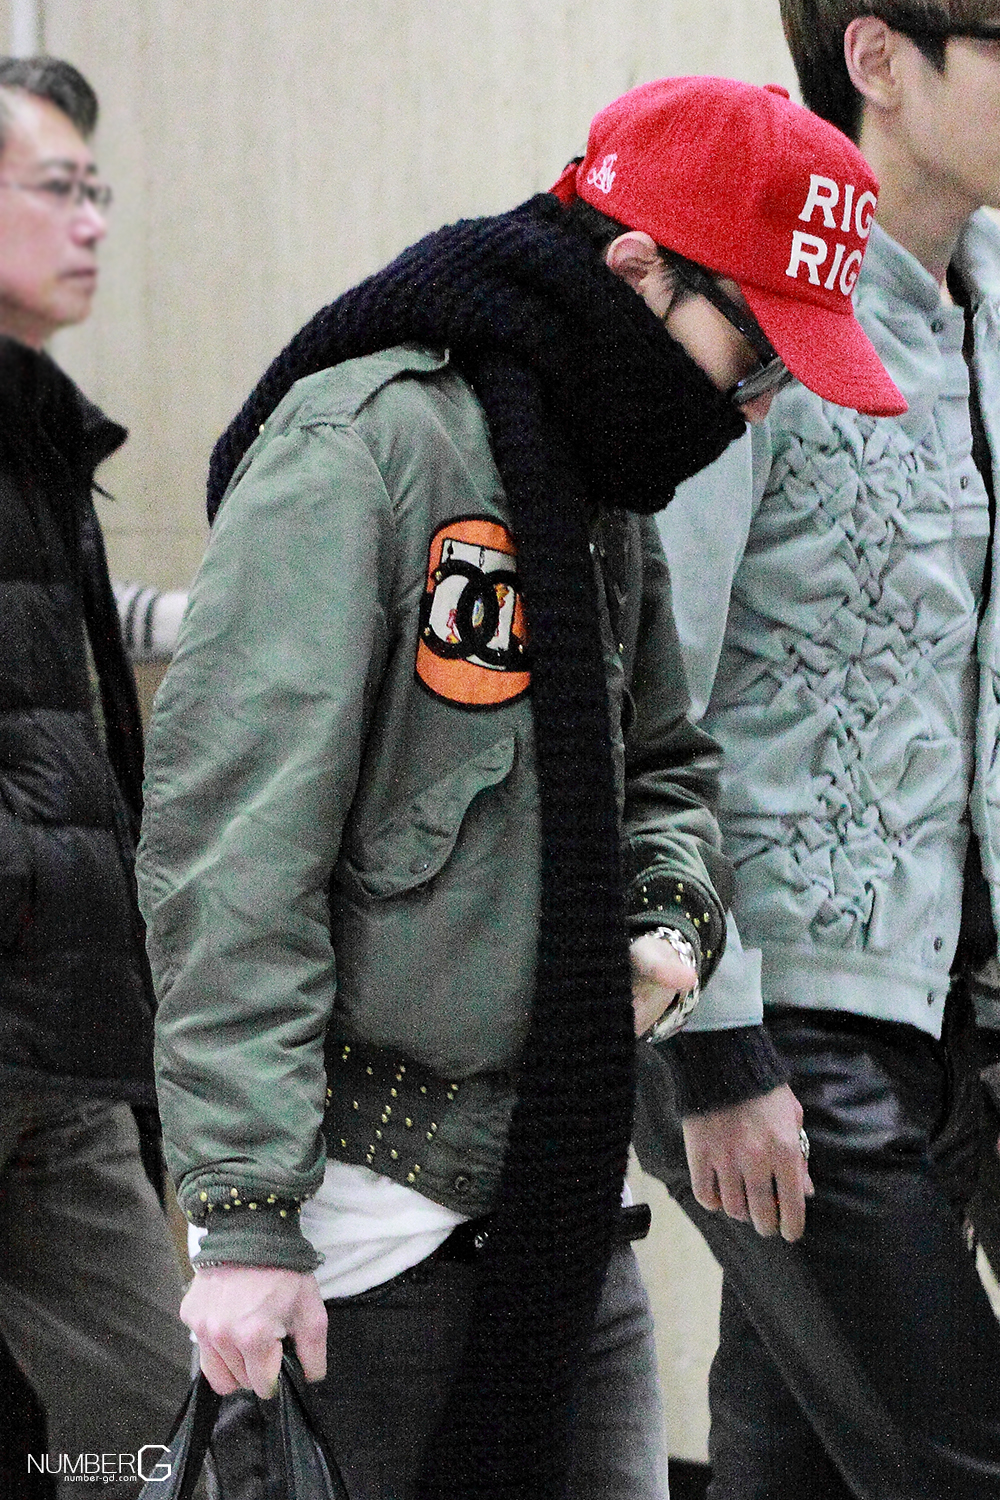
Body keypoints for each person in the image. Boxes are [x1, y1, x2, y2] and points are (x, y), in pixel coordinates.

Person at [138, 76, 902, 1500]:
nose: (759, 404)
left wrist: (668, 923)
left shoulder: (600, 484)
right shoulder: (370, 445)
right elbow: (231, 856)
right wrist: (243, 1220)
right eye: (756, 352)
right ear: (639, 268)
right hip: (357, 1228)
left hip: (561, 1196)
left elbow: (667, 769)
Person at [634, 6, 1000, 1498]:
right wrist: (712, 1041)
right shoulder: (761, 307)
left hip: (949, 999)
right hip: (773, 1005)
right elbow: (645, 687)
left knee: (801, 1464)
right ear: (880, 59)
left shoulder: (990, 307)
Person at [0, 54, 191, 1490]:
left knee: (154, 1432)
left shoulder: (40, 423)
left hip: (57, 1033)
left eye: (97, 189)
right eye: (58, 188)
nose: (92, 222)